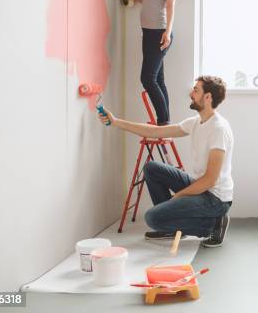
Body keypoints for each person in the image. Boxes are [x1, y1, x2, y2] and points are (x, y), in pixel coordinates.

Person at [97, 76, 233, 247]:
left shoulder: (218, 129)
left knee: (152, 218)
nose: (191, 94)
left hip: (216, 199)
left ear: (208, 97)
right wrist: (116, 122)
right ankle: (172, 226)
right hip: (202, 187)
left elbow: (210, 180)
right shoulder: (197, 122)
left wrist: (178, 196)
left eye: (196, 90)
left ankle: (213, 225)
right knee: (151, 168)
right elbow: (155, 132)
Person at [129, 0, 179, 125]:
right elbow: (153, 1)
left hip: (160, 32)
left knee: (148, 78)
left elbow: (170, 5)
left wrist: (167, 31)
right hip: (148, 33)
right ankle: (164, 122)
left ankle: (163, 122)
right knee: (158, 79)